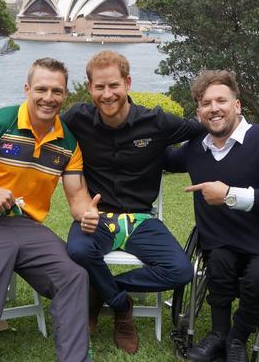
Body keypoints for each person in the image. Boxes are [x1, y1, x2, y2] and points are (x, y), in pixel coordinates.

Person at [0, 57, 96, 362]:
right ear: (27, 89)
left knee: (74, 277)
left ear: (65, 95)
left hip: (28, 227)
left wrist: (86, 214)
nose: (48, 98)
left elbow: (77, 196)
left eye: (57, 91)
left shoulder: (68, 143)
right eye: (41, 89)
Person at [62, 50, 203, 354]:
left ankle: (104, 291)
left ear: (127, 82)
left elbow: (203, 128)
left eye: (113, 85)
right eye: (99, 87)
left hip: (141, 220)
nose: (107, 94)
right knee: (77, 251)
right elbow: (42, 128)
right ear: (90, 88)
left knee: (180, 271)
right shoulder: (77, 118)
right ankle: (121, 306)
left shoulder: (156, 122)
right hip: (96, 216)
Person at [163, 70, 259, 362]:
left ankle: (237, 338)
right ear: (199, 112)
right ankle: (219, 334)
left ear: (237, 105)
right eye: (206, 103)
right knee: (220, 267)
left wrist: (229, 195)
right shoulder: (195, 148)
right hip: (220, 239)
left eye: (221, 100)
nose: (214, 108)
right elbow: (160, 158)